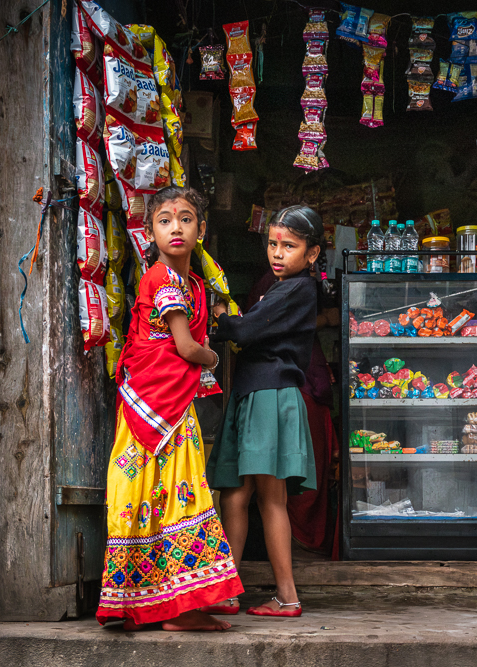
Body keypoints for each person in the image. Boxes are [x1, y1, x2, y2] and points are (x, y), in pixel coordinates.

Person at [96, 186, 243, 632]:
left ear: (201, 229)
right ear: (151, 231)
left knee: (163, 498)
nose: (175, 226)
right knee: (174, 496)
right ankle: (178, 608)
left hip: (170, 404)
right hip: (156, 404)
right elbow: (185, 346)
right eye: (164, 219)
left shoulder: (193, 285)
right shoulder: (161, 279)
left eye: (185, 218)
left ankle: (165, 605)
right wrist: (215, 359)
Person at [205, 205, 329, 617]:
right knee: (234, 496)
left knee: (270, 500)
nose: (277, 253)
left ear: (312, 253)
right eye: (273, 244)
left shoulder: (299, 290)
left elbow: (243, 330)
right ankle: (226, 590)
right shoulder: (279, 288)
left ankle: (288, 596)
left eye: (289, 246)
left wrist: (220, 313)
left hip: (271, 395)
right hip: (251, 392)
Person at [246, 269, 340, 556]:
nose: (279, 253)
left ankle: (305, 545)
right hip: (294, 388)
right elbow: (269, 325)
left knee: (310, 474)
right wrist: (325, 319)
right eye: (276, 244)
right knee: (295, 479)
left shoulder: (301, 282)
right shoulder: (275, 283)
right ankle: (301, 547)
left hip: (308, 386)